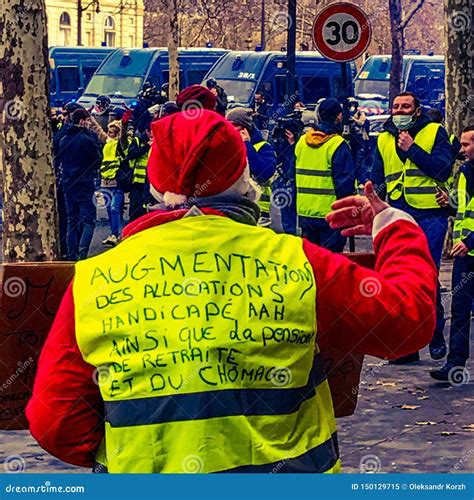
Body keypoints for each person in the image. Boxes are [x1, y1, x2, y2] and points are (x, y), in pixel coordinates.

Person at [27, 110, 437, 474]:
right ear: (245, 180)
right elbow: (407, 323)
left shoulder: (97, 277)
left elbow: (56, 422)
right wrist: (394, 226)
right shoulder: (295, 261)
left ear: (154, 188)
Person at [370, 91, 454, 364]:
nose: (400, 112)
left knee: (426, 275)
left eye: (406, 107)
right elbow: (377, 176)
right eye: (396, 107)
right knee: (399, 277)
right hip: (398, 213)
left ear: (417, 111)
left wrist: (412, 149)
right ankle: (407, 346)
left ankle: (435, 334)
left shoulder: (434, 132)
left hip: (430, 213)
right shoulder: (383, 138)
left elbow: (442, 170)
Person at [430, 125, 474, 382]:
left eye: (467, 144)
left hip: (467, 248)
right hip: (464, 255)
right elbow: (464, 210)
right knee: (459, 309)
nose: (462, 149)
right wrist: (449, 204)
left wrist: (469, 240)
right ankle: (454, 364)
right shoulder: (466, 171)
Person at [295, 98, 356, 252]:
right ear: (339, 117)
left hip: (305, 213)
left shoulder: (302, 142)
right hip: (331, 214)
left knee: (312, 259)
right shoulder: (337, 145)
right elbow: (345, 184)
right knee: (331, 262)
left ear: (319, 116)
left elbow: (291, 174)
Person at [56, 109, 102, 261]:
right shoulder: (86, 139)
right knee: (89, 221)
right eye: (87, 120)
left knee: (72, 220)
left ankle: (71, 254)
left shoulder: (64, 139)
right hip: (84, 184)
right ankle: (82, 254)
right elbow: (97, 160)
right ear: (82, 121)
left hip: (68, 184)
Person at [226, 107, 277, 227]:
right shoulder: (227, 146)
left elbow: (263, 173)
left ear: (245, 128)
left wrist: (247, 145)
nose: (229, 129)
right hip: (233, 210)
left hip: (258, 212)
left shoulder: (263, 147)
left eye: (234, 125)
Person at [53, 101, 86, 259]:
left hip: (75, 181)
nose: (62, 117)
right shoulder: (63, 129)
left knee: (76, 218)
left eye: (66, 114)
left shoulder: (74, 133)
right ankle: (67, 250)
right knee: (67, 217)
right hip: (65, 181)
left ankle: (74, 251)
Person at [271, 114, 304, 235]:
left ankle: (294, 231)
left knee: (293, 206)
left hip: (295, 177)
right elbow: (276, 157)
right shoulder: (279, 139)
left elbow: (295, 160)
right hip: (284, 177)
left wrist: (293, 144)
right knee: (286, 206)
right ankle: (289, 231)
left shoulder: (301, 142)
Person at [100, 119, 129, 246]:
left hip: (118, 180)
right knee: (108, 209)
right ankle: (113, 234)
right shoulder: (107, 143)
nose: (109, 134)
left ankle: (116, 234)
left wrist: (124, 126)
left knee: (114, 208)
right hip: (105, 180)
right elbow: (98, 131)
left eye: (112, 132)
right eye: (109, 132)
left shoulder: (121, 144)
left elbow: (123, 138)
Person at [126, 128, 152, 221]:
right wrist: (146, 147)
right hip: (138, 181)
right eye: (151, 131)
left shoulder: (158, 141)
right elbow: (132, 154)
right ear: (147, 131)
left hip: (151, 182)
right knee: (135, 208)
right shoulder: (138, 141)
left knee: (147, 208)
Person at [348, 97, 370, 186]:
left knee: (360, 160)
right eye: (350, 105)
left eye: (353, 104)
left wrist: (354, 119)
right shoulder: (347, 114)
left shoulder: (361, 113)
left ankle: (362, 180)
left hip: (360, 140)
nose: (351, 107)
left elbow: (361, 123)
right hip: (351, 139)